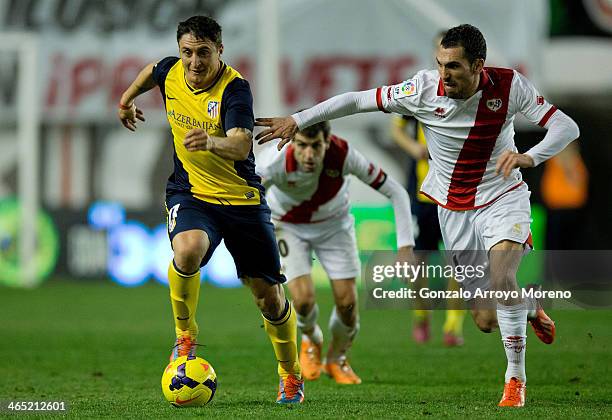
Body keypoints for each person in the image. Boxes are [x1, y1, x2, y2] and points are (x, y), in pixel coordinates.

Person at [255, 24, 580, 407]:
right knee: (485, 319)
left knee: (503, 277)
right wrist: (299, 119)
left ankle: (515, 382)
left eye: (454, 66)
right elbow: (357, 100)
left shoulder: (510, 87)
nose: (445, 74)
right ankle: (527, 304)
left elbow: (565, 126)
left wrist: (530, 156)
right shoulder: (421, 90)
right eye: (440, 64)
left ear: (479, 65)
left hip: (502, 196)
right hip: (453, 209)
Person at [117, 15, 303, 404]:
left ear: (220, 50)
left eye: (203, 53)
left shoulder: (235, 89)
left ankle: (290, 375)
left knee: (268, 297)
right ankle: (185, 338)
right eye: (187, 52)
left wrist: (211, 143)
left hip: (242, 202)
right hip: (192, 194)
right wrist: (126, 99)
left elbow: (240, 144)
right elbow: (152, 71)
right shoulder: (171, 71)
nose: (195, 62)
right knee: (186, 250)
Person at [257, 120, 416, 384]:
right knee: (303, 299)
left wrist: (405, 246)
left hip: (334, 226)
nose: (309, 155)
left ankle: (337, 358)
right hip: (287, 226)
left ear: (327, 142)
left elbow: (396, 192)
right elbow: (251, 200)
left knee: (347, 303)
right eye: (302, 146)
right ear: (291, 142)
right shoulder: (271, 161)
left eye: (315, 146)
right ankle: (310, 338)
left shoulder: (343, 155)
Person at [391, 114, 466, 347]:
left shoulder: (467, 97)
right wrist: (413, 147)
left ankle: (453, 325)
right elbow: (396, 128)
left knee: (459, 263)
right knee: (418, 262)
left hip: (457, 196)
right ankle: (421, 314)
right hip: (422, 195)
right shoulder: (421, 94)